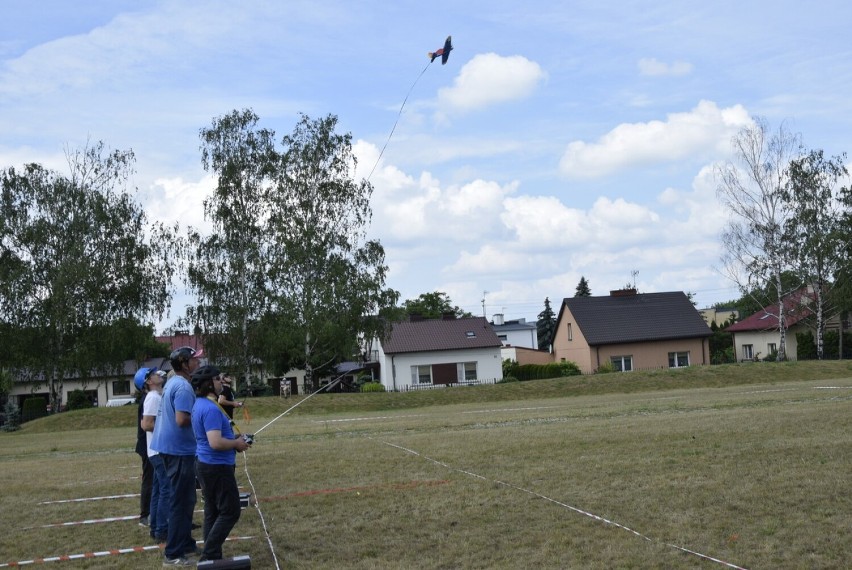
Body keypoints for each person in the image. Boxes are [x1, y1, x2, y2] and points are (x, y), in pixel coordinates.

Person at [191, 365, 250, 562]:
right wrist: (236, 444)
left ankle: (211, 558)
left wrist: (234, 438)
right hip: (216, 467)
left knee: (212, 511)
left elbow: (213, 437)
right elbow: (215, 442)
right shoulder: (210, 409)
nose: (221, 382)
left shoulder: (202, 404)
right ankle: (209, 554)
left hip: (206, 465)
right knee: (231, 511)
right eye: (217, 379)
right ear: (209, 384)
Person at [151, 346, 203, 566]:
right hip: (178, 451)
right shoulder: (183, 387)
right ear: (184, 364)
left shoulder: (174, 382)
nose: (198, 363)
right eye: (194, 360)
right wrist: (201, 416)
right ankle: (173, 553)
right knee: (180, 502)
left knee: (187, 498)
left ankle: (186, 543)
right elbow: (182, 419)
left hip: (172, 449)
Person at [141, 369, 170, 543]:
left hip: (157, 450)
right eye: (154, 374)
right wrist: (167, 429)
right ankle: (161, 530)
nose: (159, 375)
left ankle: (156, 528)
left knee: (159, 490)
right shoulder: (152, 397)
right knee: (166, 490)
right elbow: (146, 424)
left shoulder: (157, 396)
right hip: (158, 451)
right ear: (149, 381)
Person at [133, 367, 154, 529]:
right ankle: (145, 515)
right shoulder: (147, 400)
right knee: (149, 479)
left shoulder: (151, 397)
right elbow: (145, 424)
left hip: (149, 444)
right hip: (146, 445)